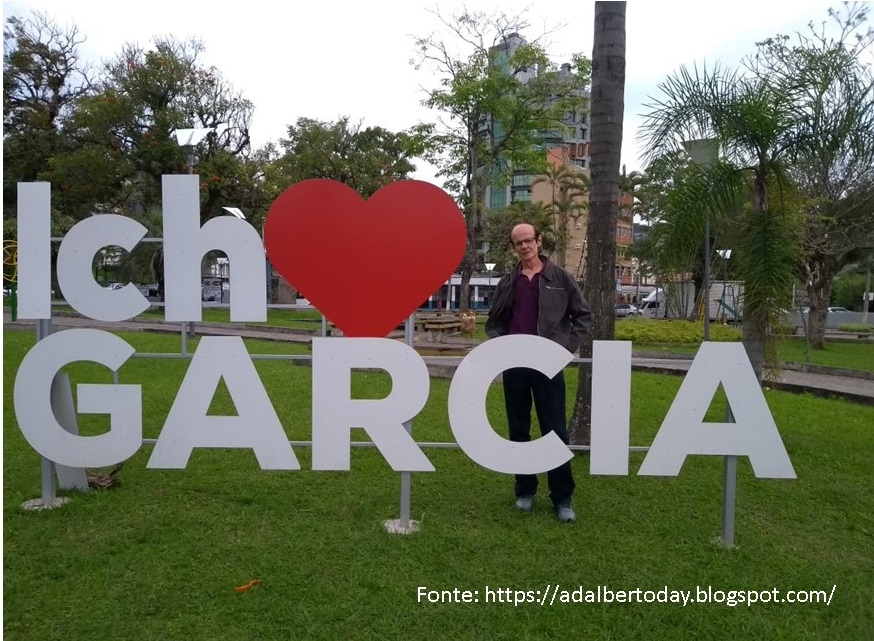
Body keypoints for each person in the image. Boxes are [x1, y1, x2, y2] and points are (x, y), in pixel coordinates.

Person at [485, 223, 593, 523]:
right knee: (519, 430)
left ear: (539, 241)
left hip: (548, 366)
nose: (524, 246)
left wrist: (563, 350)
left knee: (555, 430)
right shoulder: (508, 281)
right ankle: (525, 490)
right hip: (516, 367)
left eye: (528, 240)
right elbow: (495, 321)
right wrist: (502, 347)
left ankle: (562, 497)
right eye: (517, 242)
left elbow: (583, 316)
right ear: (513, 247)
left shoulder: (559, 278)